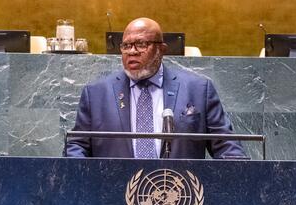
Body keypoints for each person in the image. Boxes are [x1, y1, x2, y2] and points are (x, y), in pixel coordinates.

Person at [64, 18, 247, 159]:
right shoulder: (96, 93)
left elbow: (226, 146)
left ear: (161, 49)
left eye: (141, 44)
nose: (132, 51)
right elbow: (77, 145)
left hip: (180, 193)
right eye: (126, 45)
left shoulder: (198, 90)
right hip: (113, 191)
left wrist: (239, 175)